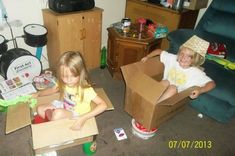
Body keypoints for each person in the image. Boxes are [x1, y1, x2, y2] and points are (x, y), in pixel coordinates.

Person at [33, 51, 107, 130]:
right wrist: (38, 94)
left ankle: (54, 128)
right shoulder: (62, 82)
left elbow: (103, 105)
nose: (68, 80)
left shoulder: (85, 90)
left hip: (76, 114)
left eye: (73, 76)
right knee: (39, 109)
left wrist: (83, 118)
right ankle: (54, 124)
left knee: (57, 114)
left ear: (81, 73)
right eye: (64, 76)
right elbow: (52, 90)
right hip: (63, 106)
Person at [141, 35, 216, 102]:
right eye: (182, 54)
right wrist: (147, 56)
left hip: (175, 97)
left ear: (195, 59)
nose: (183, 57)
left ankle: (153, 106)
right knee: (166, 82)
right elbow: (159, 51)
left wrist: (200, 90)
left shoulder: (196, 72)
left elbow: (212, 84)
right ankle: (148, 98)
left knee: (172, 87)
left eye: (189, 56)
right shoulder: (173, 59)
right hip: (162, 90)